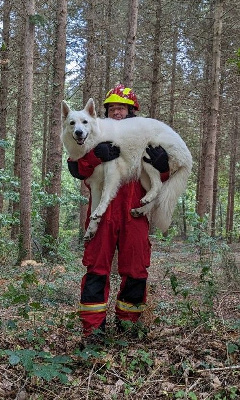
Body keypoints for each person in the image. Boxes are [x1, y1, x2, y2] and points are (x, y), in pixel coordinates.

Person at [67, 84, 170, 342]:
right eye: (112, 108)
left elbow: (164, 177)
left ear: (131, 112)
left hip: (135, 213)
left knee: (136, 269)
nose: (117, 113)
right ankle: (93, 331)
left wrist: (162, 165)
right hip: (102, 214)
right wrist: (95, 157)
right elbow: (76, 167)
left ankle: (129, 327)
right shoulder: (93, 133)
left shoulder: (145, 137)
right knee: (96, 268)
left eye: (122, 108)